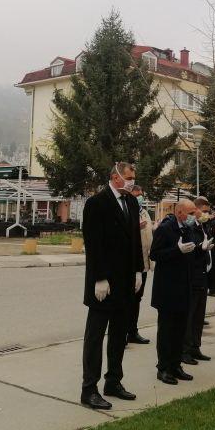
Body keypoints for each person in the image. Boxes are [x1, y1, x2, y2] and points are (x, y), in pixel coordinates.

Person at [81, 162, 143, 410]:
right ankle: (89, 389)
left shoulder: (130, 202)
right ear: (115, 178)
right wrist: (99, 278)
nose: (131, 182)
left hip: (125, 281)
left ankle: (113, 381)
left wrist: (139, 269)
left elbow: (135, 240)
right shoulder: (97, 203)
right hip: (103, 283)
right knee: (95, 337)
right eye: (128, 178)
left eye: (133, 178)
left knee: (118, 336)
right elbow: (93, 244)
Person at [150, 199, 197, 385]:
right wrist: (176, 250)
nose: (194, 216)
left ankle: (176, 365)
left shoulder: (187, 229)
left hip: (184, 286)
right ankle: (163, 368)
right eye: (191, 213)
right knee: (167, 330)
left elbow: (190, 254)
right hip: (167, 288)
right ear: (179, 212)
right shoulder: (165, 228)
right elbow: (155, 254)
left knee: (180, 329)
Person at [183, 198, 213, 365]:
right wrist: (200, 247)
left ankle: (196, 347)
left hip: (203, 275)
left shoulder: (203, 226)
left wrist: (210, 248)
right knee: (190, 315)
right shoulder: (189, 227)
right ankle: (185, 350)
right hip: (193, 276)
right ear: (196, 210)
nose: (207, 214)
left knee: (199, 315)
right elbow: (189, 249)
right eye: (205, 211)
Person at [126, 185, 152, 345]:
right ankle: (122, 333)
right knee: (127, 300)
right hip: (129, 264)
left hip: (142, 263)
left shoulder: (144, 212)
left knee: (137, 299)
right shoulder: (127, 212)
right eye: (137, 195)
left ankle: (132, 331)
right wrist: (135, 227)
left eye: (141, 195)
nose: (140, 198)